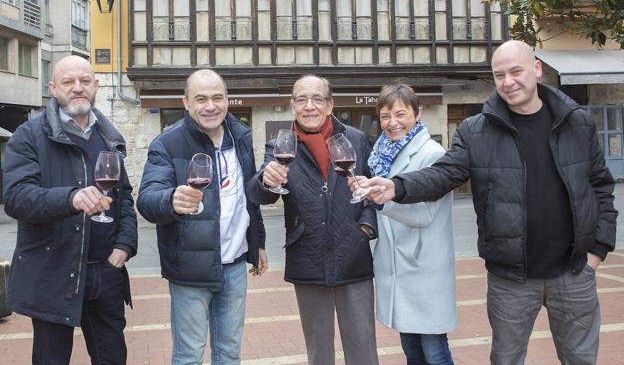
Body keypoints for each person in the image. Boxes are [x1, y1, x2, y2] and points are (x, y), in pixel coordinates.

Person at [363, 40, 617, 365]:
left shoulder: (577, 122)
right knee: (506, 360)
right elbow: (443, 174)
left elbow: (600, 185)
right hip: (511, 278)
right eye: (500, 75)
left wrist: (598, 249)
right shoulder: (476, 130)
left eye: (516, 71)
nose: (508, 81)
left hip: (573, 271)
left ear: (536, 70)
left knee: (580, 359)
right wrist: (396, 187)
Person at [3, 55, 138, 364]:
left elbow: (124, 199)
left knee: (113, 358)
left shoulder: (109, 138)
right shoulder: (30, 136)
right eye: (68, 82)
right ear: (53, 88)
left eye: (85, 81)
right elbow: (16, 198)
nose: (78, 88)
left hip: (106, 273)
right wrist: (71, 198)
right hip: (53, 272)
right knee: (51, 359)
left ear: (96, 86)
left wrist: (124, 247)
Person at [136, 69, 267, 365]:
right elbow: (146, 200)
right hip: (189, 270)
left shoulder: (241, 137)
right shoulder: (167, 144)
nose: (211, 106)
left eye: (217, 98)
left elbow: (248, 199)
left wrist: (257, 242)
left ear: (227, 100)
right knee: (189, 356)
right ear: (186, 102)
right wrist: (170, 199)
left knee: (229, 354)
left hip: (234, 267)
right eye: (201, 99)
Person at [247, 75, 379, 365]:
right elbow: (259, 193)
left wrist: (365, 228)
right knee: (319, 352)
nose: (309, 106)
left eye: (317, 99)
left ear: (330, 105)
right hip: (307, 257)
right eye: (301, 99)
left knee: (363, 349)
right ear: (292, 105)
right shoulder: (280, 144)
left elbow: (371, 189)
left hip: (353, 255)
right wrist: (266, 180)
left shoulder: (355, 139)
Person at [365, 84, 456, 365]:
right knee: (411, 350)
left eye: (400, 114)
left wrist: (382, 202)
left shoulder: (432, 154)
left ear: (417, 114)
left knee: (434, 351)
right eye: (384, 116)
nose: (392, 123)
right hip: (396, 265)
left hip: (424, 266)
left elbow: (425, 215)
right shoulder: (381, 153)